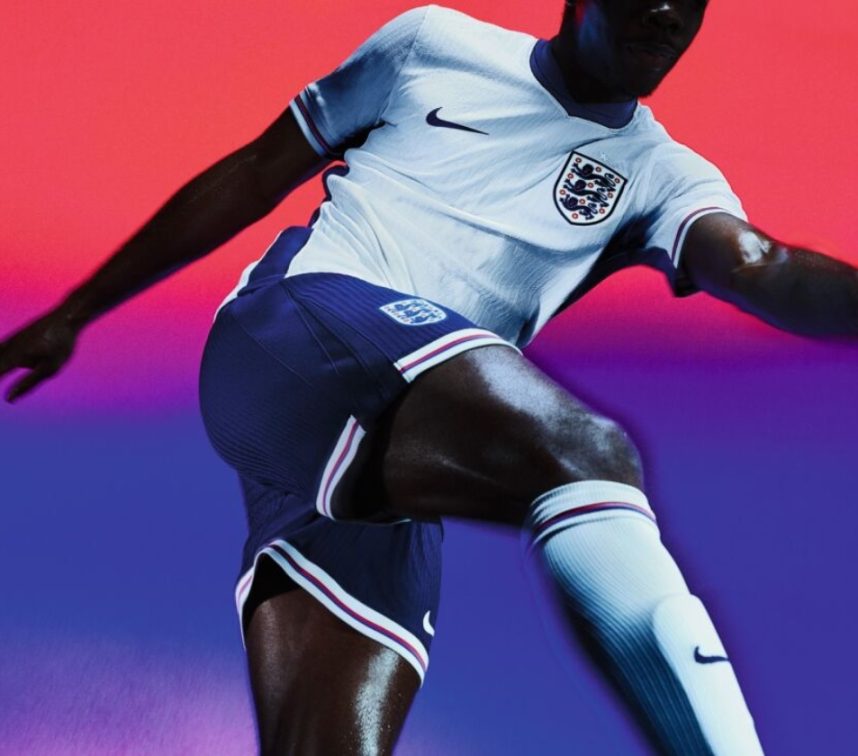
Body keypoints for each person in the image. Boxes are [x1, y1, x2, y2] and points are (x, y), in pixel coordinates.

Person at [1, 0, 855, 753]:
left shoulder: (663, 176)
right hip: (289, 337)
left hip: (385, 449)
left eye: (691, 1)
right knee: (588, 455)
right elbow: (258, 170)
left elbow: (761, 266)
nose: (666, 14)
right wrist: (78, 309)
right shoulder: (432, 45)